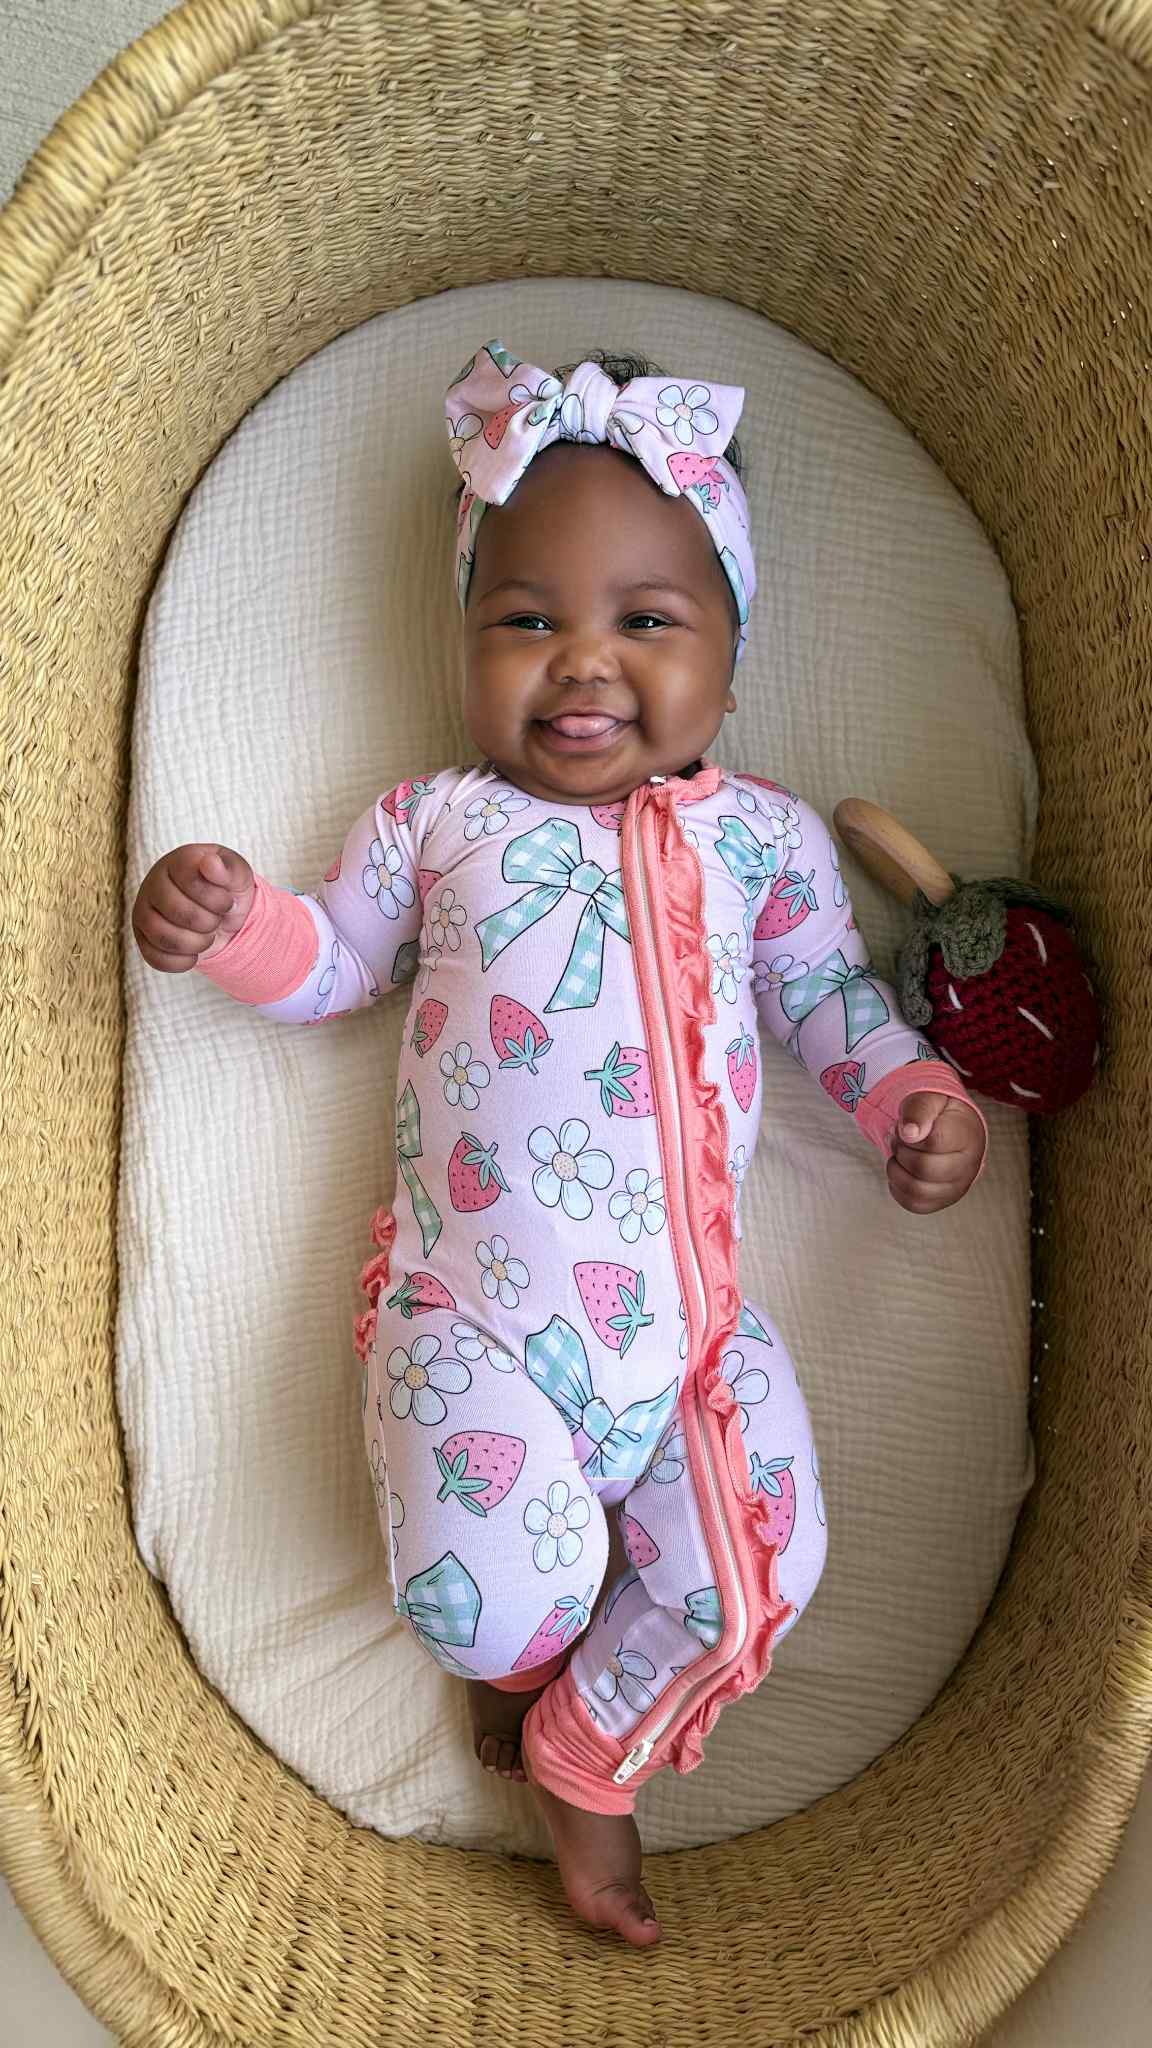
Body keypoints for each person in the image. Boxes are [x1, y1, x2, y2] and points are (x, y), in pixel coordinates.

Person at [132, 341, 987, 1946]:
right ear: (466, 640)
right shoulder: (439, 822)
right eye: (526, 620)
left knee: (764, 1569)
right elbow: (335, 964)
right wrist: (237, 924)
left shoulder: (765, 842)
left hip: (690, 1342)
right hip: (473, 1322)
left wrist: (912, 1102)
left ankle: (586, 1750)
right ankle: (528, 1666)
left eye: (645, 622)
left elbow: (830, 1004)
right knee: (472, 1601)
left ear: (731, 650)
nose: (582, 661)